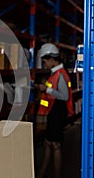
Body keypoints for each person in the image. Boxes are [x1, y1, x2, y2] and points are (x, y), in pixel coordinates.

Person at [35, 43, 74, 178]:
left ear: (52, 59)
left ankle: (56, 175)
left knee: (55, 144)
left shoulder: (60, 74)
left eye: (45, 61)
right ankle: (41, 173)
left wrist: (46, 89)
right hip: (53, 112)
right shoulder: (55, 74)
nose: (44, 64)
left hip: (58, 112)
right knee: (48, 142)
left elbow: (64, 96)